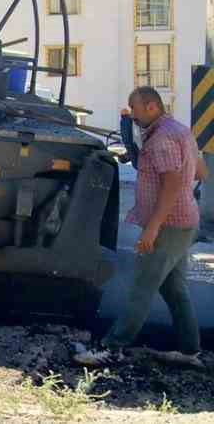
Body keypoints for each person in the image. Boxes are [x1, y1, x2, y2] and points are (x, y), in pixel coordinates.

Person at [73, 86, 207, 367]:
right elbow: (200, 171)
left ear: (151, 107)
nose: (131, 115)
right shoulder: (179, 130)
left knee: (142, 288)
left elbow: (170, 185)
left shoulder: (161, 139)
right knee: (174, 289)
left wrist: (152, 229)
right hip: (184, 221)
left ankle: (113, 347)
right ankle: (189, 351)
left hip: (168, 225)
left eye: (134, 109)